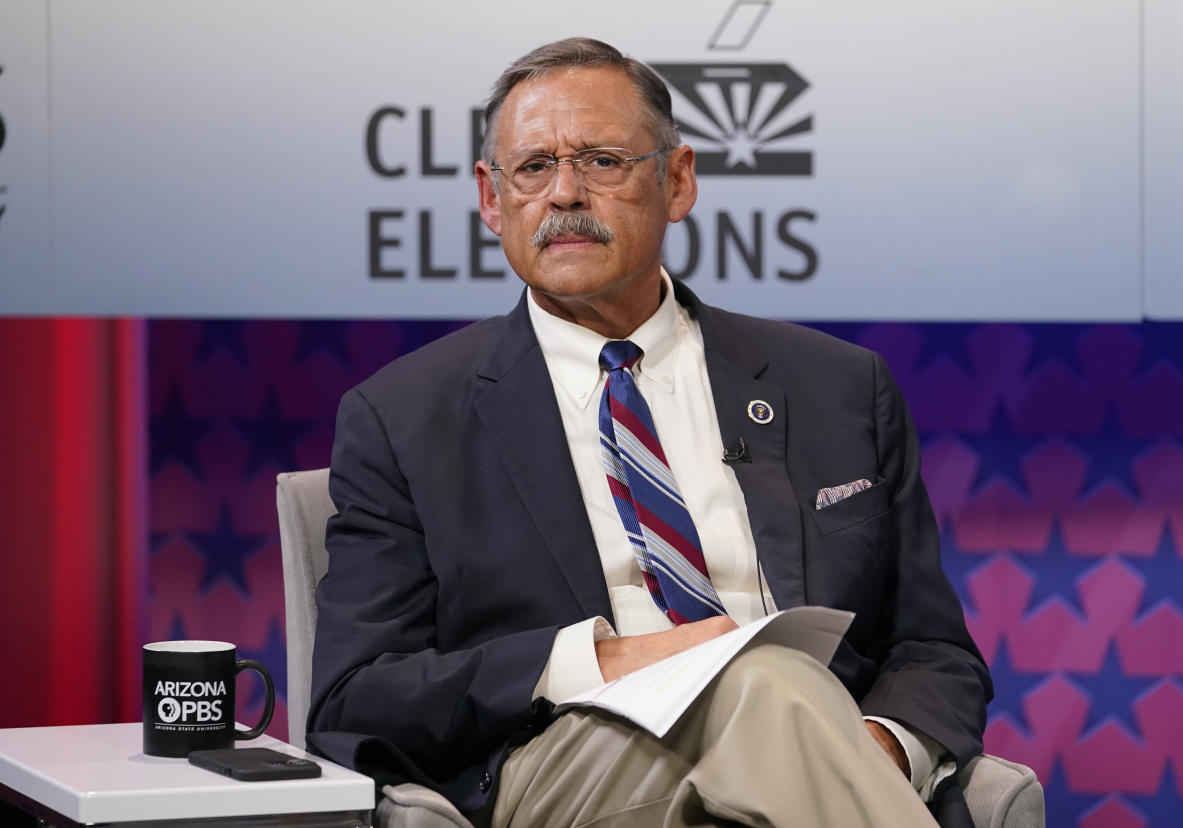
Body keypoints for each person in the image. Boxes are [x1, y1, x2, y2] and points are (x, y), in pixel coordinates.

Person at [309, 37, 991, 828]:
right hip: (567, 764)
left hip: (810, 742)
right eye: (532, 168)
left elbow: (935, 649)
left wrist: (865, 745)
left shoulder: (838, 387)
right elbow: (356, 694)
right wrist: (599, 661)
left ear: (677, 180)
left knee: (773, 694)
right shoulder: (403, 418)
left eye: (602, 161)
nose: (564, 193)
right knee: (760, 679)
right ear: (492, 201)